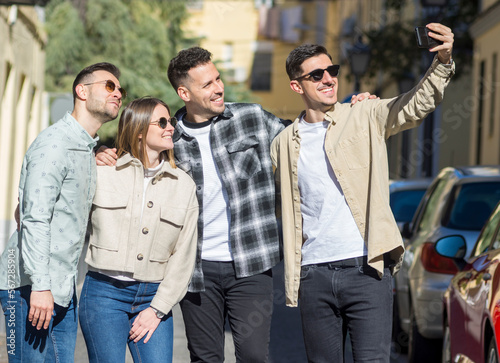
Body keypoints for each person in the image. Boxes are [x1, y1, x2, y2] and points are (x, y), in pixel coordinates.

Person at [96, 46, 372, 362]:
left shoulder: (251, 118)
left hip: (252, 264)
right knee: (205, 357)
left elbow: (303, 134)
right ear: (184, 92)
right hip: (196, 270)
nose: (218, 88)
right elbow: (138, 164)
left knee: (254, 356)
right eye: (207, 84)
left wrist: (350, 109)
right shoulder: (169, 137)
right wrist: (104, 155)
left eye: (217, 79)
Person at [270, 23, 455, 362]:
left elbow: (416, 104)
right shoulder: (283, 144)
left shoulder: (364, 114)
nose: (328, 79)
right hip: (314, 274)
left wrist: (443, 60)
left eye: (332, 71)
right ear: (296, 85)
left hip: (366, 269)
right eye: (317, 75)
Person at [0, 62, 125, 362]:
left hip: (61, 287)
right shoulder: (55, 144)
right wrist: (41, 287)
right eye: (109, 86)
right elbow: (33, 218)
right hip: (29, 287)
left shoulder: (83, 148)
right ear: (81, 91)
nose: (118, 93)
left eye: (120, 89)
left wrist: (96, 156)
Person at [79, 96, 198, 363]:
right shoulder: (102, 172)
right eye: (163, 122)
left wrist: (157, 309)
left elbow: (184, 256)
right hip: (103, 294)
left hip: (153, 297)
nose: (171, 128)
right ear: (140, 131)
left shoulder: (183, 185)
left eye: (172, 121)